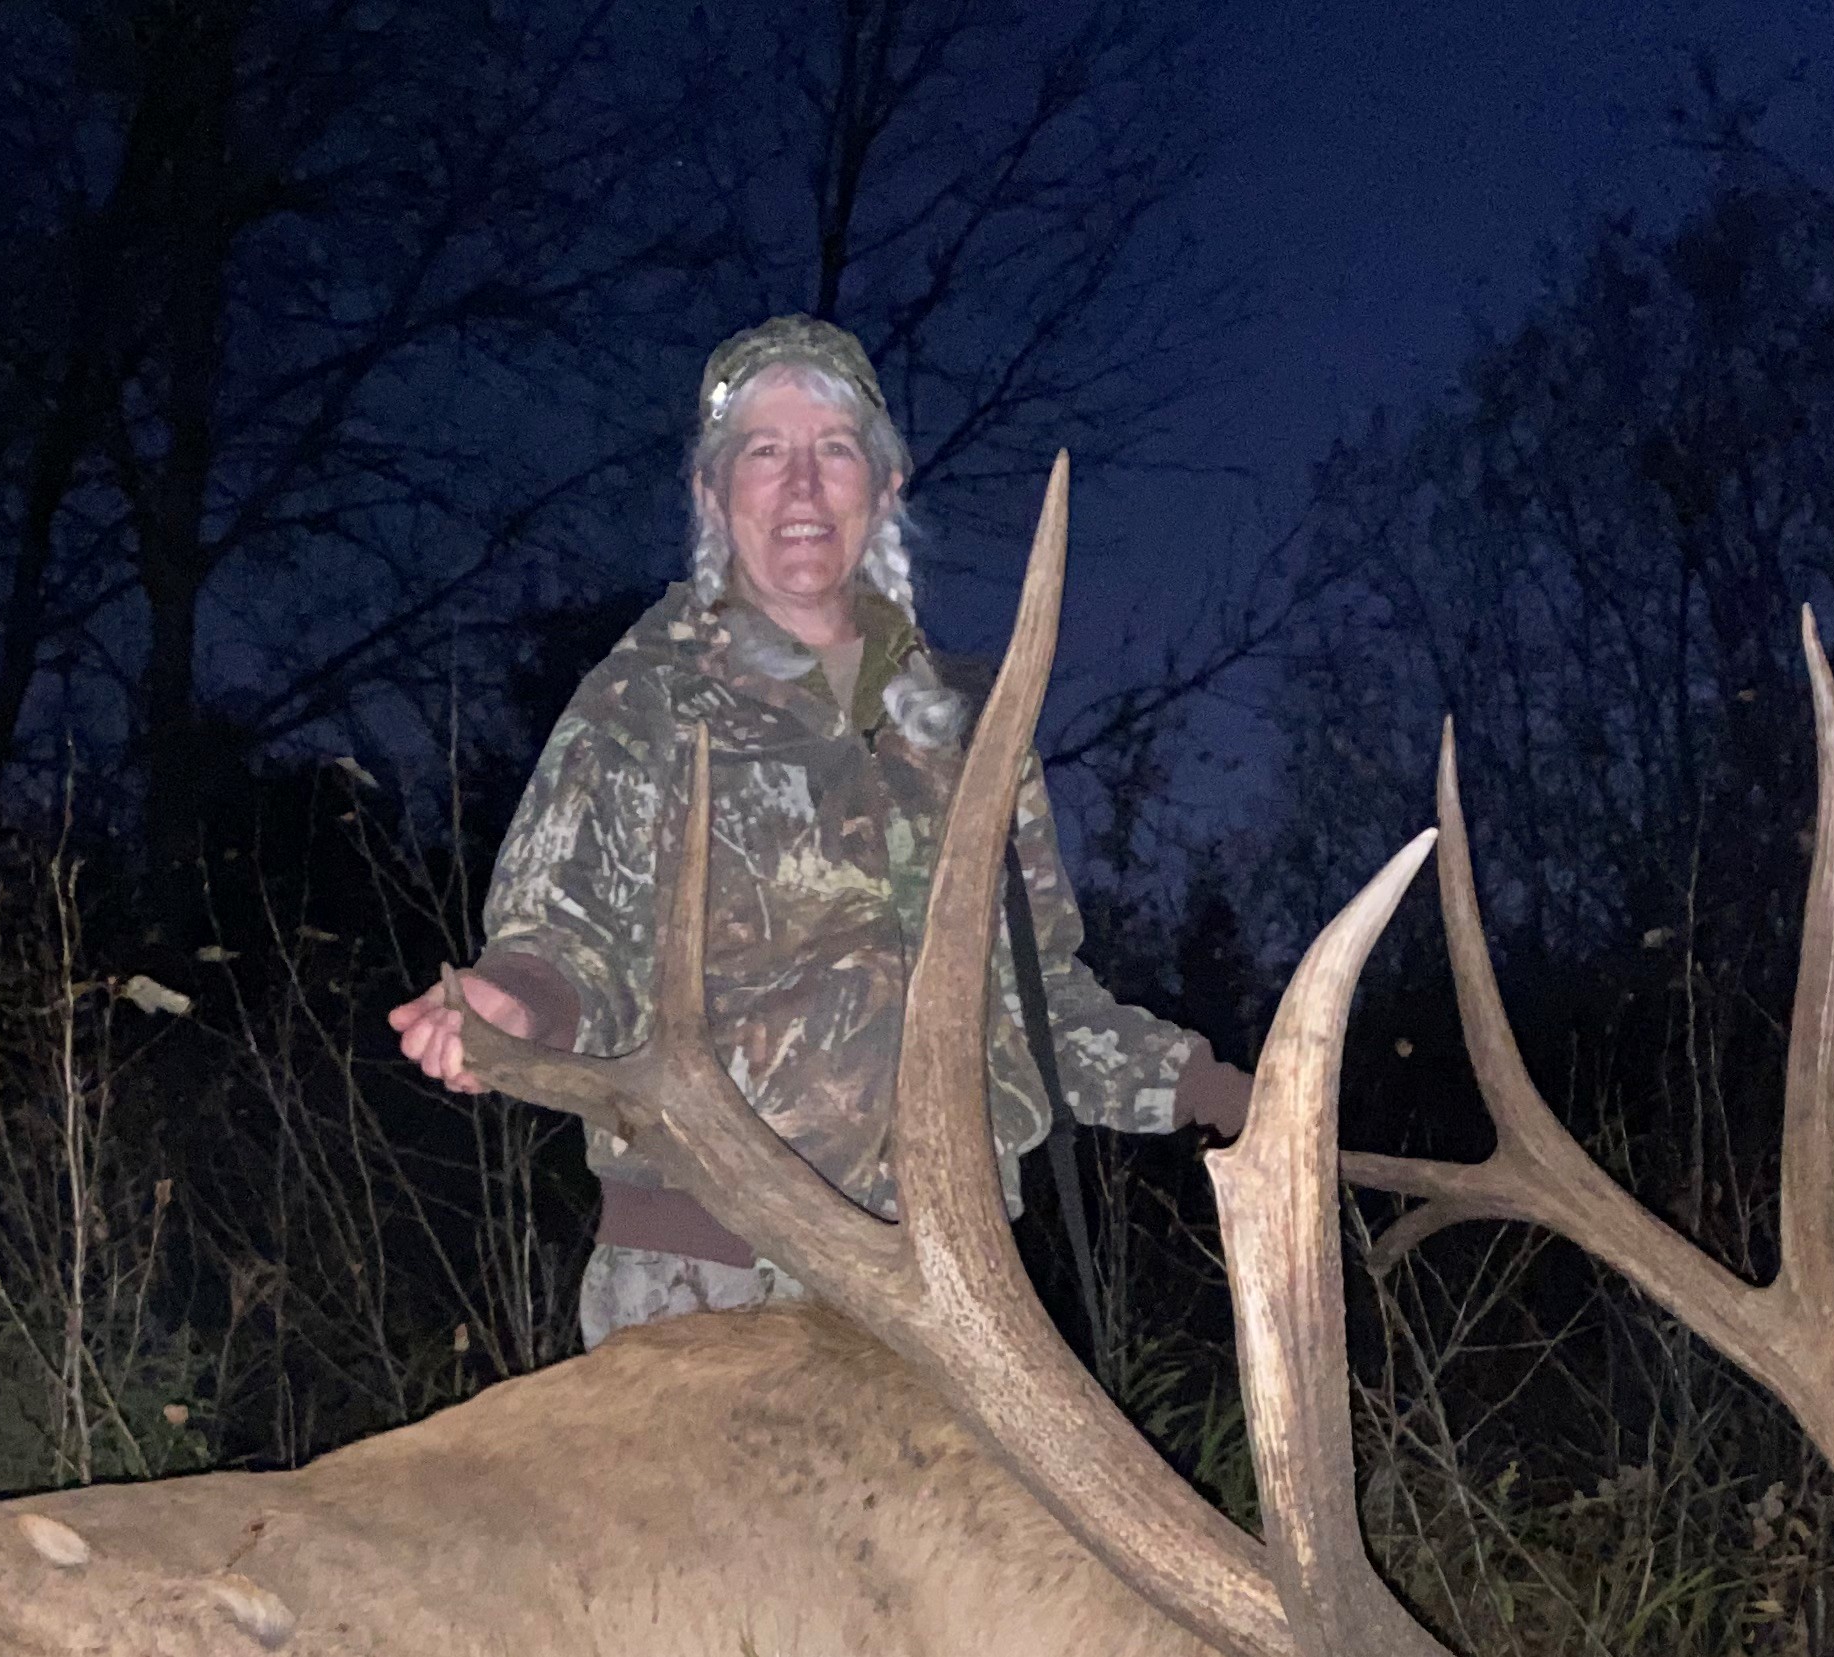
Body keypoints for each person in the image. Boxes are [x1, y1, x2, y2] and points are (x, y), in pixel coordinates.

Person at [387, 315, 1249, 1349]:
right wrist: (517, 1001)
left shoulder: (971, 727)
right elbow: (570, 937)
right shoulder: (645, 701)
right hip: (708, 1281)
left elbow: (1034, 1000)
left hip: (950, 1287)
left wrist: (1208, 1087)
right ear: (713, 495)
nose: (801, 485)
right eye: (764, 452)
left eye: (834, 449)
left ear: (885, 486)